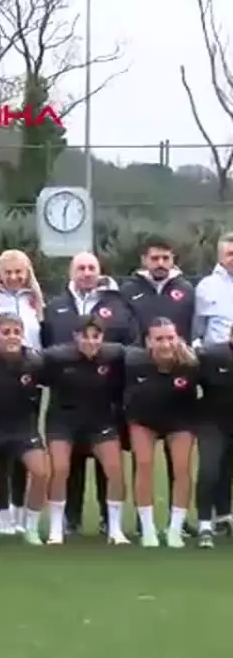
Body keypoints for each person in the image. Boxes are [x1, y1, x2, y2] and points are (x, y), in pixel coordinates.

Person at [42, 252, 138, 535]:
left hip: (104, 406)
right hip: (65, 410)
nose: (86, 272)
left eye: (91, 267)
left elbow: (133, 347)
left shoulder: (117, 304)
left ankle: (112, 524)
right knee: (64, 467)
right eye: (81, 268)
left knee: (112, 468)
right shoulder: (55, 306)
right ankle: (65, 522)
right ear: (71, 272)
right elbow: (41, 352)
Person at [40, 316, 129, 545]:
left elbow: (141, 357)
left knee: (115, 470)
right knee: (59, 469)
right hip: (63, 421)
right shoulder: (55, 357)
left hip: (100, 422)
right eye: (85, 336)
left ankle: (115, 528)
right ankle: (56, 527)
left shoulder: (115, 355)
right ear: (75, 336)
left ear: (103, 337)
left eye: (96, 336)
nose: (91, 341)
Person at [0, 249, 45, 536]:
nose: (15, 277)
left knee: (24, 453)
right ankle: (1, 514)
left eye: (20, 272)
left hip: (28, 382)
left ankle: (21, 513)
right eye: (9, 272)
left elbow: (42, 342)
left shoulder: (37, 302)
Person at [0, 313, 49, 546]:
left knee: (41, 473)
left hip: (22, 426)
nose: (12, 337)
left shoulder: (34, 362)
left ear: (22, 334)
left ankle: (31, 527)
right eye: (6, 332)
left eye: (16, 332)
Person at [124, 318, 199, 548]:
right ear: (148, 341)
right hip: (143, 419)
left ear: (178, 338)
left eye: (170, 338)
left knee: (182, 469)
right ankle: (148, 530)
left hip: (180, 420)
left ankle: (175, 529)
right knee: (144, 465)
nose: (165, 344)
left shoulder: (191, 364)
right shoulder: (134, 362)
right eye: (159, 339)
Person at [195, 232, 233, 531]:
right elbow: (197, 332)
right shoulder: (207, 287)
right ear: (220, 256)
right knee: (214, 458)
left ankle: (225, 514)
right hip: (216, 370)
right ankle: (210, 517)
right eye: (230, 253)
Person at [196, 333, 233, 547]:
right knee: (210, 470)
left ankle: (224, 517)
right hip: (212, 422)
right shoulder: (212, 356)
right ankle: (204, 525)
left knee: (225, 469)